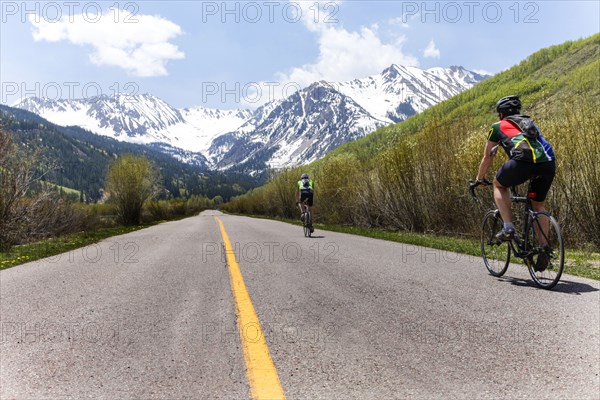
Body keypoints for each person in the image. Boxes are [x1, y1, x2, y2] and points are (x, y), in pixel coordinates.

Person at [472, 95, 556, 271]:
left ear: (501, 113)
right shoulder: (529, 123)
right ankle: (544, 248)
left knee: (499, 184)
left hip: (522, 163)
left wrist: (479, 179)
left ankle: (508, 227)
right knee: (538, 205)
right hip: (547, 164)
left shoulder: (497, 127)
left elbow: (487, 156)